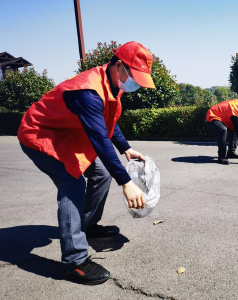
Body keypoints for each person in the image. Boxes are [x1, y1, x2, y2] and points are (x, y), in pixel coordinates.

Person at [18, 41, 155, 285]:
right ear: (120, 66)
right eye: (135, 77)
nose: (136, 84)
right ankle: (75, 262)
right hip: (39, 134)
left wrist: (126, 148)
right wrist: (125, 181)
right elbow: (99, 137)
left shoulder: (113, 84)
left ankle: (87, 226)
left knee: (101, 174)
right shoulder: (87, 90)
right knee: (72, 184)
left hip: (68, 135)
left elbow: (109, 121)